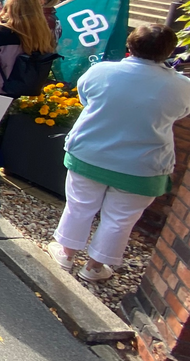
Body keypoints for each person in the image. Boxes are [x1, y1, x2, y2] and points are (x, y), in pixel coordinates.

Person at [47, 25, 190, 282]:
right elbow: (180, 115)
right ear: (169, 51)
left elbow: (85, 98)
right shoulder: (182, 86)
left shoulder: (102, 71)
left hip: (90, 153)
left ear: (130, 45)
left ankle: (66, 252)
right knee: (121, 218)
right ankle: (94, 266)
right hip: (144, 164)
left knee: (79, 204)